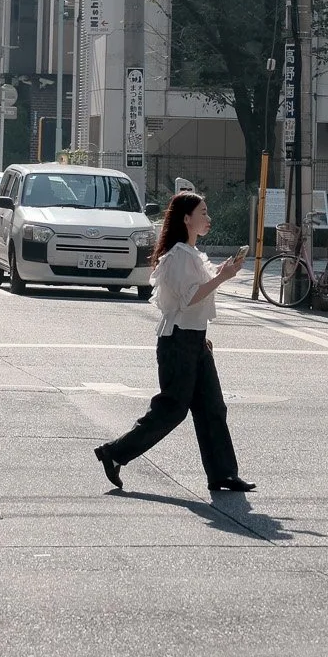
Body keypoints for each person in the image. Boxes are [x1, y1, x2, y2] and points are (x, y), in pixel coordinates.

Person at [94, 192, 253, 494]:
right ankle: (114, 452)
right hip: (178, 341)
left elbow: (197, 294)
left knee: (213, 407)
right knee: (172, 408)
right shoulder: (179, 255)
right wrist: (222, 278)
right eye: (203, 213)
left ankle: (223, 474)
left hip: (195, 339)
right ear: (186, 218)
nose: (208, 219)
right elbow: (188, 298)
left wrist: (221, 274)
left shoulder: (191, 254)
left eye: (207, 212)